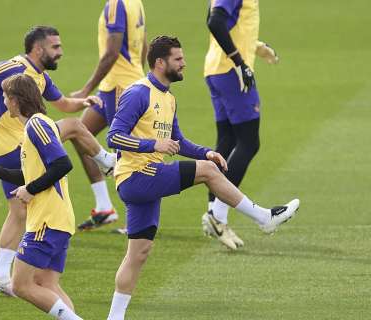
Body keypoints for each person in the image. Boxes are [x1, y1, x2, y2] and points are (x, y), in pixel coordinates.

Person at [104, 36, 299, 320]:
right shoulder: (138, 93)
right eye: (178, 59)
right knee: (207, 174)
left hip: (147, 179)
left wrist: (207, 152)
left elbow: (178, 141)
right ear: (161, 63)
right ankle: (263, 217)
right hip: (135, 176)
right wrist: (153, 145)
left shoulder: (168, 98)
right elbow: (114, 136)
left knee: (139, 253)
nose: (184, 63)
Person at [0, 25, 115, 295]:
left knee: (18, 212)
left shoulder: (40, 76)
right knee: (73, 127)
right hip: (10, 146)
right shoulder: (14, 67)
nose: (60, 52)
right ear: (38, 49)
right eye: (55, 47)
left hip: (23, 143)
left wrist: (85, 101)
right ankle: (107, 161)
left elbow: (62, 103)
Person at [0, 74, 82, 320]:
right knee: (46, 285)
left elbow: (62, 164)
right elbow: (27, 175)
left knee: (20, 285)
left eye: (5, 97)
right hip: (57, 219)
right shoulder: (32, 127)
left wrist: (31, 189)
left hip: (47, 220)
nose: (3, 102)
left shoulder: (37, 125)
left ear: (16, 100)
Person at [202, 0, 280, 249]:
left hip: (216, 69)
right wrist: (240, 62)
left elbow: (227, 24)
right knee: (249, 142)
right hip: (230, 72)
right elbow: (214, 21)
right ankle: (217, 216)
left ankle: (213, 212)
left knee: (227, 140)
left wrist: (255, 47)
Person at [71, 0, 147, 231]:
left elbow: (112, 51)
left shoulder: (116, 4)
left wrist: (86, 89)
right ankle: (104, 207)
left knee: (124, 153)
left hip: (118, 87)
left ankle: (138, 221)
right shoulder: (136, 3)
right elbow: (143, 46)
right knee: (79, 133)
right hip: (116, 85)